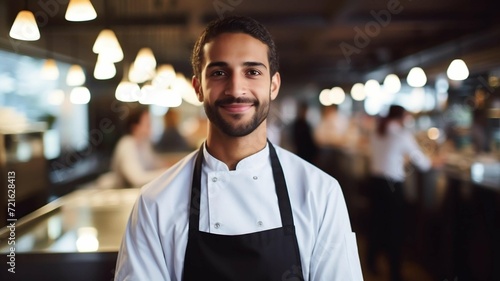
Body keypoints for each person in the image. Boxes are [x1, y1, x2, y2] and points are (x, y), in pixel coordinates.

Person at [114, 16, 363, 281]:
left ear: (273, 85)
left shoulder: (320, 193)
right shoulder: (155, 203)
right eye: (219, 73)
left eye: (252, 72)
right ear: (198, 87)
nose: (236, 89)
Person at [366, 105, 433, 281]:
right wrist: (434, 162)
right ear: (402, 117)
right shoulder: (401, 135)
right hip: (392, 186)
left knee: (377, 224)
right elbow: (422, 163)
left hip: (375, 183)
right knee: (395, 229)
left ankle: (370, 262)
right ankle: (395, 273)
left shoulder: (378, 131)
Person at [110, 107, 167, 188]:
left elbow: (154, 164)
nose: (151, 128)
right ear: (135, 127)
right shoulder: (126, 145)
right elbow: (137, 179)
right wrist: (166, 173)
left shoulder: (145, 143)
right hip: (123, 194)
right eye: (148, 124)